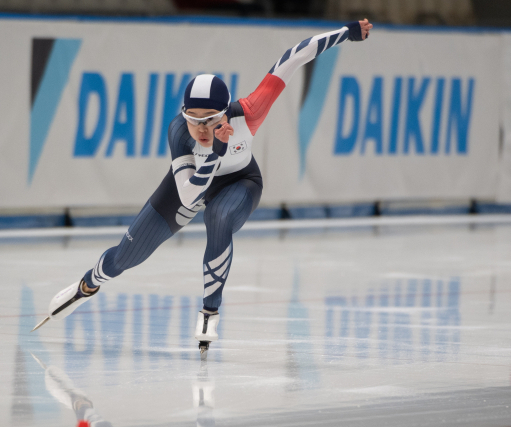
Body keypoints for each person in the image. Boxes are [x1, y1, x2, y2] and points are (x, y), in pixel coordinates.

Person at [33, 19, 373, 357]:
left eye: (209, 119)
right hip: (191, 183)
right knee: (125, 256)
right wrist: (216, 153)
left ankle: (210, 311)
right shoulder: (179, 132)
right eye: (193, 118)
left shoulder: (249, 112)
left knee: (219, 216)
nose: (201, 128)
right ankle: (86, 285)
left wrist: (347, 32)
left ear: (226, 113)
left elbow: (292, 58)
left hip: (240, 181)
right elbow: (189, 196)